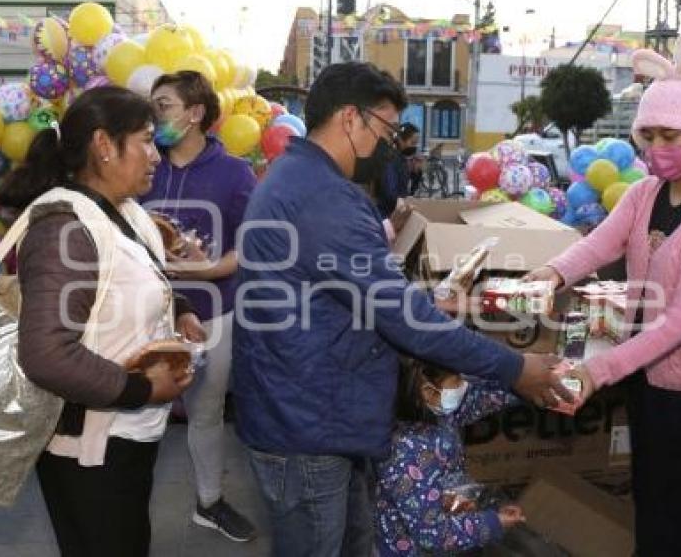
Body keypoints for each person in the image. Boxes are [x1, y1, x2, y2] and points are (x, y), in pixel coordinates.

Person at [233, 61, 571, 557]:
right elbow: (403, 321)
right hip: (307, 425)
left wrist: (427, 302)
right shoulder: (324, 198)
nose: (387, 145)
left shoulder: (295, 177)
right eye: (385, 129)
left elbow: (351, 292)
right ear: (351, 118)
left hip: (307, 411)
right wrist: (517, 368)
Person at [525, 33, 681, 556]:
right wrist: (553, 273)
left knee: (667, 511)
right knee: (653, 494)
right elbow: (602, 242)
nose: (657, 150)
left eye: (670, 136)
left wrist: (596, 371)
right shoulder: (645, 191)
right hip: (645, 371)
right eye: (648, 136)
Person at [0, 86, 202, 557]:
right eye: (146, 140)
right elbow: (46, 354)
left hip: (124, 441)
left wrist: (182, 307)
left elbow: (128, 281)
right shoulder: (64, 226)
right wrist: (143, 389)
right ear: (104, 145)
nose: (156, 155)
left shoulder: (119, 210)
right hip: (91, 452)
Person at [139, 70, 257, 542]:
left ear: (195, 114)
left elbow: (252, 244)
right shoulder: (143, 163)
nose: (155, 115)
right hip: (144, 313)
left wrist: (210, 270)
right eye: (153, 104)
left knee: (205, 412)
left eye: (164, 105)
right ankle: (122, 507)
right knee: (133, 412)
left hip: (214, 312)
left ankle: (209, 502)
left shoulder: (234, 173)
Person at [376, 361, 525, 555]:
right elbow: (432, 534)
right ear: (428, 391)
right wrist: (494, 523)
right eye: (458, 380)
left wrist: (528, 385)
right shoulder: (407, 451)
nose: (464, 386)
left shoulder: (435, 416)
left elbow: (480, 400)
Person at [376, 122, 419, 218]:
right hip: (387, 214)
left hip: (398, 212)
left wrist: (416, 172)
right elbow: (390, 192)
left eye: (416, 143)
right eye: (413, 142)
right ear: (401, 140)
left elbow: (409, 188)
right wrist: (402, 200)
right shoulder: (391, 159)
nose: (415, 146)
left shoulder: (402, 159)